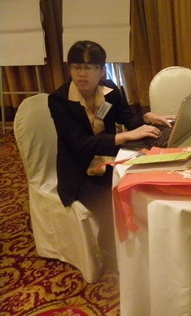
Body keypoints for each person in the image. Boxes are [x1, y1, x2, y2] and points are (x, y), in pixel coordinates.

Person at [48, 40, 174, 256]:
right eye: (76, 67)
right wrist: (124, 136)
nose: (81, 73)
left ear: (101, 69)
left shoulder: (109, 90)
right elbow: (80, 144)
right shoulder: (59, 101)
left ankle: (148, 244)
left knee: (144, 186)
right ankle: (112, 253)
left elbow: (128, 119)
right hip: (80, 172)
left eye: (89, 67)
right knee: (113, 204)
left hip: (109, 159)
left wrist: (148, 117)